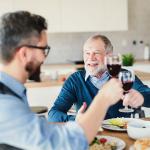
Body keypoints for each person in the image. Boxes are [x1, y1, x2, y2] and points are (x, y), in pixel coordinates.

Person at [0, 11, 124, 150]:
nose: (44, 58)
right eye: (43, 49)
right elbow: (69, 142)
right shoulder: (5, 103)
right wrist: (104, 98)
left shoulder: (11, 92)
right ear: (24, 53)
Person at [48, 34, 150, 122]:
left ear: (109, 56)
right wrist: (76, 120)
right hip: (91, 138)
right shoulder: (75, 80)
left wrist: (141, 97)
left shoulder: (124, 75)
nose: (91, 58)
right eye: (87, 53)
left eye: (96, 53)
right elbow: (53, 114)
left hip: (122, 136)